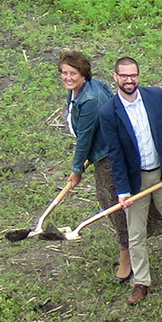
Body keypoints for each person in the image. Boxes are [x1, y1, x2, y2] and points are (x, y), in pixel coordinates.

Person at [99, 56, 162, 304]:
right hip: (136, 181)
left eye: (133, 75)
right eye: (123, 76)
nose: (129, 80)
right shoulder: (108, 112)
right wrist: (123, 190)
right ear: (115, 77)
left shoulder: (155, 96)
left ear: (138, 76)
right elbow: (115, 153)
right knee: (136, 233)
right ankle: (141, 281)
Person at [57, 50, 131, 281]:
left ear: (83, 74)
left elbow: (85, 138)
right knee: (109, 199)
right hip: (103, 151)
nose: (68, 77)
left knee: (113, 202)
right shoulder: (86, 89)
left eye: (73, 73)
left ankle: (127, 254)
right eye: (64, 73)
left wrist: (76, 170)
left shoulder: (89, 99)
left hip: (110, 156)